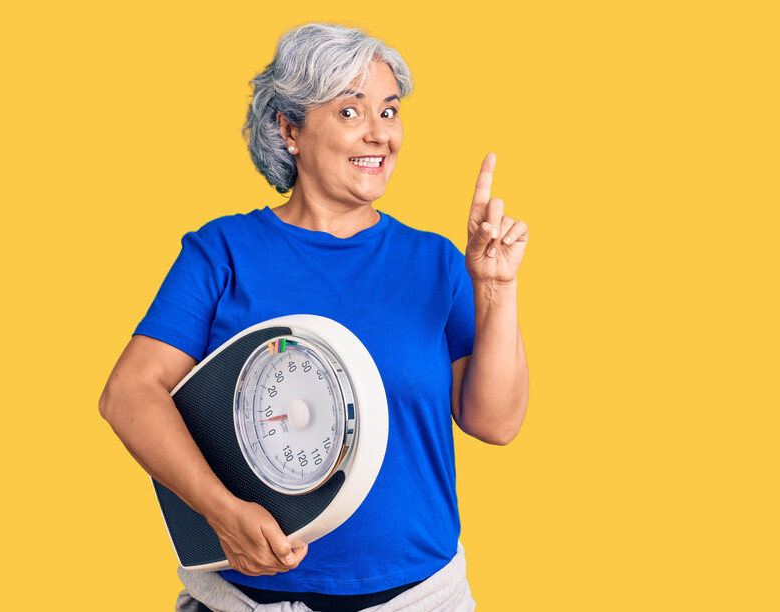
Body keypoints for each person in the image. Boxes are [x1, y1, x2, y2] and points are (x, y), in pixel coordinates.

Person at [99, 23, 529, 612]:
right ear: (289, 129)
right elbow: (128, 393)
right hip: (245, 601)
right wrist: (221, 513)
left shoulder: (437, 262)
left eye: (389, 109)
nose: (380, 133)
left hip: (421, 599)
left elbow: (495, 422)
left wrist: (496, 289)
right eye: (350, 112)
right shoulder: (223, 252)